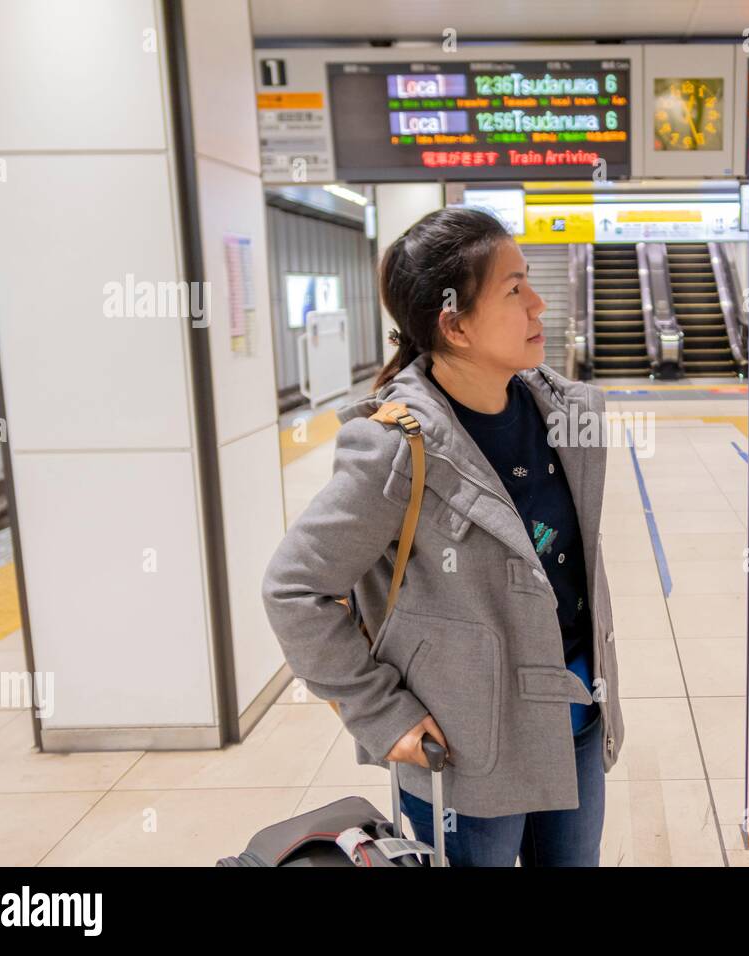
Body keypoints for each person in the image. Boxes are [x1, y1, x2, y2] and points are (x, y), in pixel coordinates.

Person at [261, 206, 624, 867]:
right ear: (455, 325)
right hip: (465, 751)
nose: (538, 303)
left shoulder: (566, 417)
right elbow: (294, 590)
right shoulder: (394, 448)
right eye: (514, 289)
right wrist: (382, 714)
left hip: (574, 721)